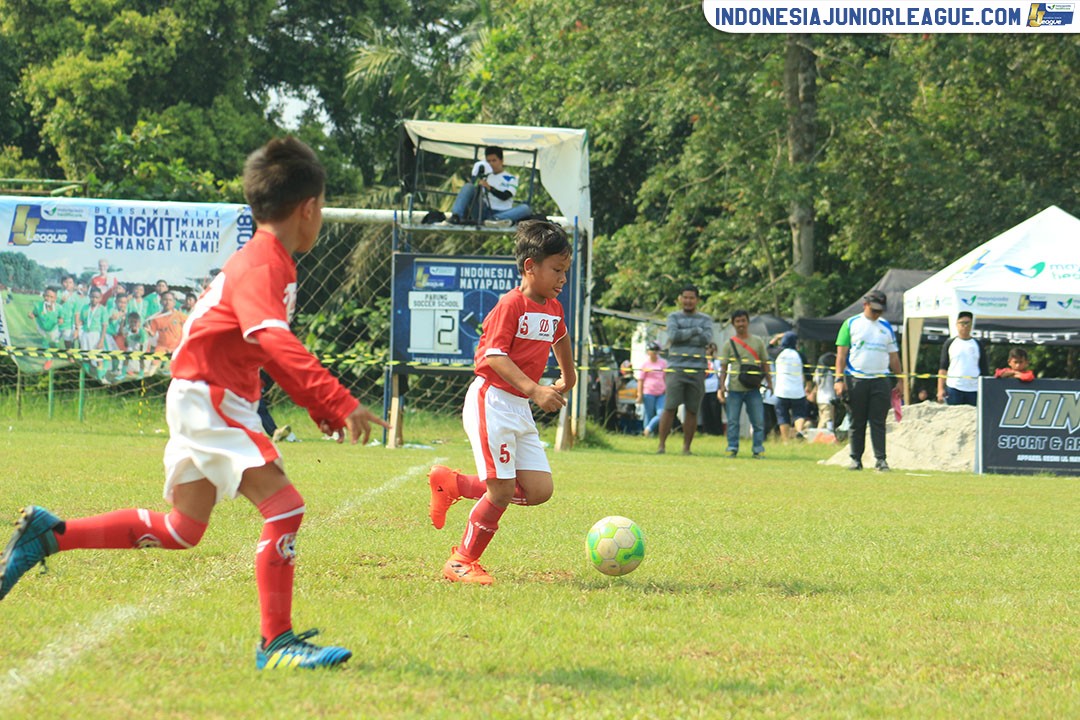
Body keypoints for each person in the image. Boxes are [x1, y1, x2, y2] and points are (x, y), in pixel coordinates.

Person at [0, 136, 389, 670]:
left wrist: (321, 409)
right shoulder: (263, 265)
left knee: (184, 528)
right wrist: (338, 399)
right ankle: (276, 645)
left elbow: (262, 345)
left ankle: (51, 534)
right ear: (310, 207)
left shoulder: (263, 260)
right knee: (286, 506)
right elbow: (274, 340)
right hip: (211, 394)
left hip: (199, 392)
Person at [425, 220, 575, 585]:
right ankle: (461, 561)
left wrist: (569, 377)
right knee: (503, 490)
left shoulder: (552, 308)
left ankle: (455, 485)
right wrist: (537, 389)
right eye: (556, 270)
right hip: (490, 402)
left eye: (565, 271)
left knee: (540, 491)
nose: (562, 279)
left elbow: (561, 339)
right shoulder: (511, 304)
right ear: (530, 267)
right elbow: (494, 356)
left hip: (518, 407)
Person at [834, 289, 905, 472]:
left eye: (880, 310)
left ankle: (880, 460)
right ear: (865, 305)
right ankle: (855, 459)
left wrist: (900, 380)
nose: (877, 314)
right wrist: (839, 379)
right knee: (857, 421)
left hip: (880, 379)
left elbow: (894, 356)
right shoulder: (851, 324)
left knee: (878, 421)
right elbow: (841, 355)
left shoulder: (886, 327)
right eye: (874, 310)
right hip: (856, 379)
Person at [657, 285, 714, 455]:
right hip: (676, 368)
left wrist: (685, 334)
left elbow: (706, 338)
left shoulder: (706, 319)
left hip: (697, 370)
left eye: (692, 298)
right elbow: (673, 336)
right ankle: (661, 446)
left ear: (697, 300)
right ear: (680, 299)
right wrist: (696, 331)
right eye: (685, 297)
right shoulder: (673, 317)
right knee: (670, 407)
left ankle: (687, 448)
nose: (688, 301)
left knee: (692, 409)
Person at [718, 309, 772, 458]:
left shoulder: (758, 342)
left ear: (748, 322)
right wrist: (721, 386)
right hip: (735, 388)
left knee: (758, 422)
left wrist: (770, 382)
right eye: (737, 321)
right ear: (733, 324)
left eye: (743, 321)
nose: (741, 324)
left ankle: (758, 449)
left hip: (753, 388)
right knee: (733, 421)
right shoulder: (728, 344)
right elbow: (723, 367)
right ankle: (732, 447)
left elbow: (765, 363)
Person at [446, 146, 532, 227]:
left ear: (501, 161)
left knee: (525, 208)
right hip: (483, 212)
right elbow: (473, 195)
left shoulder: (511, 178)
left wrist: (489, 188)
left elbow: (505, 196)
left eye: (494, 160)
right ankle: (456, 216)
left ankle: (495, 220)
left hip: (503, 212)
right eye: (488, 161)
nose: (491, 164)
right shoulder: (485, 176)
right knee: (468, 186)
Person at [937, 311, 989, 406]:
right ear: (957, 325)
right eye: (962, 323)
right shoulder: (950, 343)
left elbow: (984, 369)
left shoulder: (978, 344)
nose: (965, 326)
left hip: (973, 389)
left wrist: (985, 389)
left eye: (968, 323)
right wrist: (940, 389)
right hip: (954, 387)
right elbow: (943, 368)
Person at [773, 331, 810, 442]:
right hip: (797, 391)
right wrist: (808, 385)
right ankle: (799, 431)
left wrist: (776, 337)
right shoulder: (800, 355)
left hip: (781, 391)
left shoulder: (777, 353)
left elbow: (768, 347)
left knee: (783, 416)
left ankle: (785, 440)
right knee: (799, 414)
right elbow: (808, 372)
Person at [636, 341, 668, 437]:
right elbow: (640, 380)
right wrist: (639, 394)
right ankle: (648, 434)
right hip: (648, 392)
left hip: (661, 392)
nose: (654, 354)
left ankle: (648, 429)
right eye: (652, 351)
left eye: (656, 351)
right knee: (648, 414)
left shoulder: (663, 363)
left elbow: (666, 377)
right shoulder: (645, 364)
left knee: (661, 413)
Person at [699, 342, 724, 435]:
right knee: (705, 410)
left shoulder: (716, 362)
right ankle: (707, 430)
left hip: (714, 388)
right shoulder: (702, 361)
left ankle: (717, 431)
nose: (708, 351)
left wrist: (720, 388)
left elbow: (720, 375)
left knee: (715, 411)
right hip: (704, 388)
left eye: (710, 349)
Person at [813, 351, 837, 431]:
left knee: (822, 418)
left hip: (820, 399)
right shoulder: (830, 373)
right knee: (826, 421)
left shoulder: (817, 372)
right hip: (829, 399)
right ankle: (816, 437)